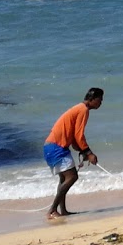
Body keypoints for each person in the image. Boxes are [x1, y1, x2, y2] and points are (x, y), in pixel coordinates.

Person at [43, 87, 102, 219]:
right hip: (56, 147)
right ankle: (52, 210)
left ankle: (62, 210)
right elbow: (79, 135)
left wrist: (83, 151)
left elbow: (75, 139)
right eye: (99, 99)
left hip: (52, 146)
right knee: (72, 177)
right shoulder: (83, 110)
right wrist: (89, 152)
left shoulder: (79, 108)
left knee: (64, 178)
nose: (101, 103)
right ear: (91, 99)